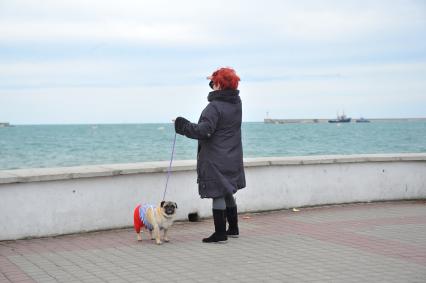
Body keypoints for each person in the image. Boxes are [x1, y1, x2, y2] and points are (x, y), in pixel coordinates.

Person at [174, 67, 246, 243]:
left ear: (219, 85)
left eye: (214, 82)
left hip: (216, 157)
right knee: (228, 191)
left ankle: (220, 233)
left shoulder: (214, 107)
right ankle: (233, 228)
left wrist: (181, 125)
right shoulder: (237, 104)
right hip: (233, 155)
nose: (211, 85)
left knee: (218, 194)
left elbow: (203, 131)